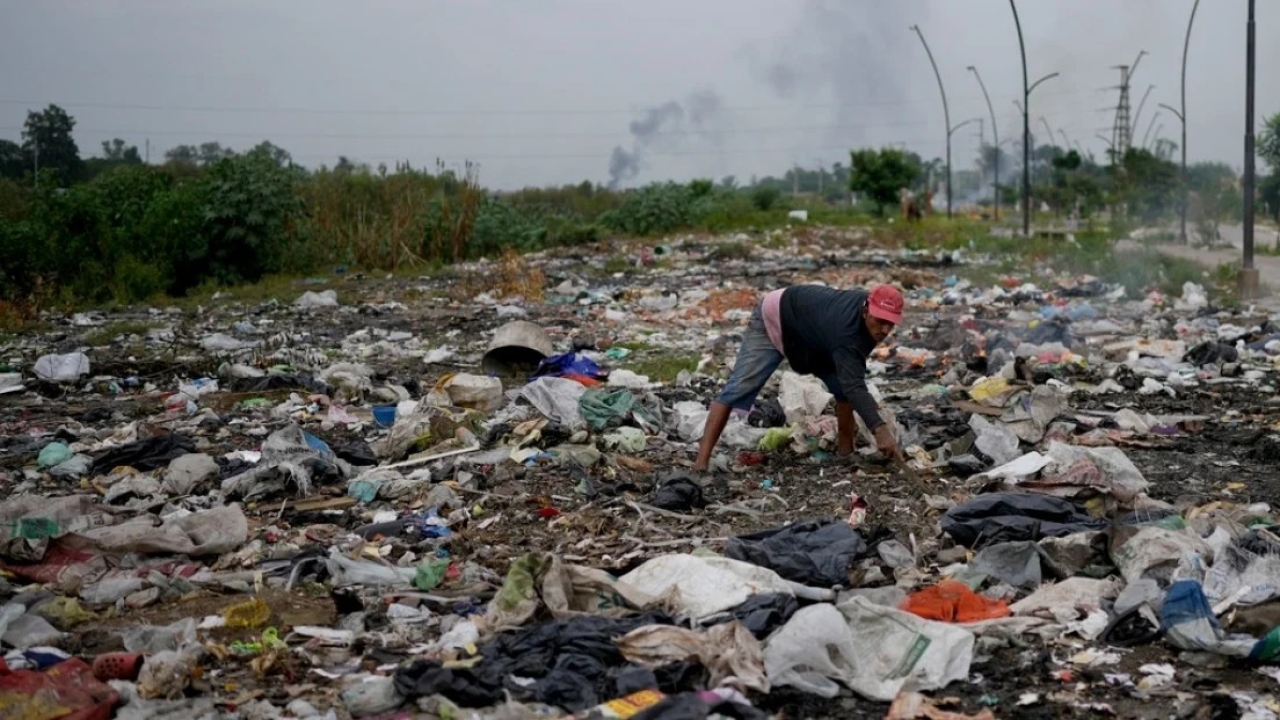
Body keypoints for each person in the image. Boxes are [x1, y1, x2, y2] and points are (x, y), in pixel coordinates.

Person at [692, 283, 904, 472]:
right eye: (880, 321)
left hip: (813, 334)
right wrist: (880, 430)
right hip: (776, 315)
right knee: (740, 386)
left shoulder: (867, 326)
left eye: (890, 323)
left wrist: (876, 422)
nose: (885, 330)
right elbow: (855, 385)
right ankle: (701, 463)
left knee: (842, 387)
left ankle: (845, 453)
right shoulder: (848, 332)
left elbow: (851, 382)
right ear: (866, 310)